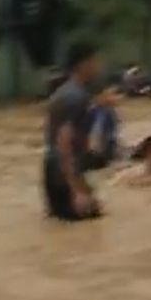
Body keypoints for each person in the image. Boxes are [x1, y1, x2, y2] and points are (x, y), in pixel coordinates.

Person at [42, 42, 104, 221]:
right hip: (62, 171)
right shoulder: (74, 96)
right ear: (83, 65)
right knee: (88, 218)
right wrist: (76, 189)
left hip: (55, 169)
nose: (98, 66)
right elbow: (64, 142)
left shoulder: (70, 92)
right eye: (94, 62)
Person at [84, 85, 122, 170]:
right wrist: (96, 153)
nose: (118, 97)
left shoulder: (105, 110)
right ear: (100, 97)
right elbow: (97, 132)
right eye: (113, 94)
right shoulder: (103, 112)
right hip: (104, 152)